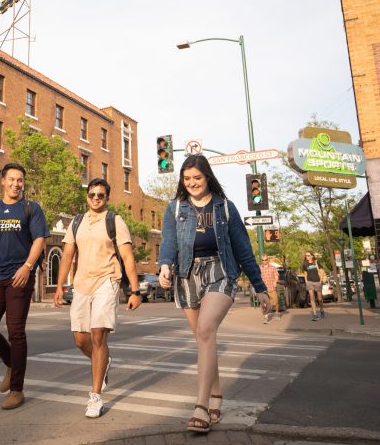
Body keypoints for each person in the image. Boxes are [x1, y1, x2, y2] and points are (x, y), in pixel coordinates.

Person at [158, 155, 269, 434]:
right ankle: (218, 394)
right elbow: (169, 243)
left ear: (207, 177)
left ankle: (201, 407)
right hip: (187, 275)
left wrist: (260, 287)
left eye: (197, 177)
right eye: (187, 179)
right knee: (204, 339)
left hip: (220, 271)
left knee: (206, 331)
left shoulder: (225, 208)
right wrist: (163, 267)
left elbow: (243, 248)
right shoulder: (174, 209)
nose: (192, 183)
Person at [53, 178, 142, 419]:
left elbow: (127, 257)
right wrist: (60, 286)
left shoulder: (115, 221)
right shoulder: (77, 222)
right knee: (81, 340)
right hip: (82, 283)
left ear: (107, 198)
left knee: (97, 334)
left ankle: (95, 397)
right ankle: (104, 361)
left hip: (107, 280)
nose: (95, 198)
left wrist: (135, 291)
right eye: (92, 194)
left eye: (100, 195)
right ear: (87, 196)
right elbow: (67, 254)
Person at [0, 162, 49, 410]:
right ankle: (11, 362)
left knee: (16, 331)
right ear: (3, 181)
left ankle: (17, 389)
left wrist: (27, 267)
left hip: (20, 275)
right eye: (12, 179)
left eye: (20, 180)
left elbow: (39, 239)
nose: (16, 184)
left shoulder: (31, 208)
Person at [302, 251, 325, 320]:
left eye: (308, 255)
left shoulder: (316, 262)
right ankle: (315, 314)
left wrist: (320, 280)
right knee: (312, 298)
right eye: (306, 256)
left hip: (317, 282)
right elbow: (305, 273)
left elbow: (321, 271)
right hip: (309, 282)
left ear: (312, 256)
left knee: (319, 299)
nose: (307, 257)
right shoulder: (305, 264)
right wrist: (306, 281)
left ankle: (321, 310)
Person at [259, 255, 280, 323]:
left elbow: (276, 275)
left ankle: (276, 314)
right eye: (263, 260)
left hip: (271, 288)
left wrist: (275, 281)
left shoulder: (272, 267)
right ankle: (266, 317)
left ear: (268, 260)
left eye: (265, 260)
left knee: (275, 302)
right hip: (263, 289)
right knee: (264, 304)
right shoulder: (259, 268)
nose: (264, 261)